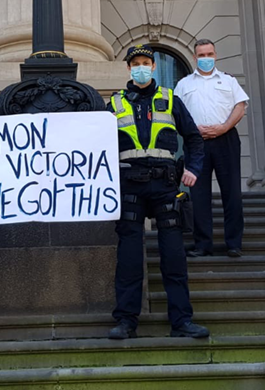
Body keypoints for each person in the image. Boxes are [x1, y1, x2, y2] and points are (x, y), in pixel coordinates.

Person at [106, 44, 209, 340]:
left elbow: (194, 139)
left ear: (153, 67)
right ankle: (126, 321)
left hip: (165, 187)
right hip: (129, 187)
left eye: (145, 62)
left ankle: (181, 321)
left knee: (174, 258)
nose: (140, 67)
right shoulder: (114, 103)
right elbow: (92, 140)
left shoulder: (170, 99)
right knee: (128, 260)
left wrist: (193, 169)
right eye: (135, 63)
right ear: (128, 68)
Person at [174, 38, 248, 258]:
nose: (206, 59)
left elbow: (240, 107)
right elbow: (175, 114)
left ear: (215, 55)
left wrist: (223, 127)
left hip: (226, 139)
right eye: (202, 55)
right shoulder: (184, 84)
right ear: (195, 57)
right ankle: (202, 244)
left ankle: (234, 243)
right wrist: (192, 130)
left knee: (232, 192)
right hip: (195, 143)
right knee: (199, 195)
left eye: (210, 54)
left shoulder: (229, 81)